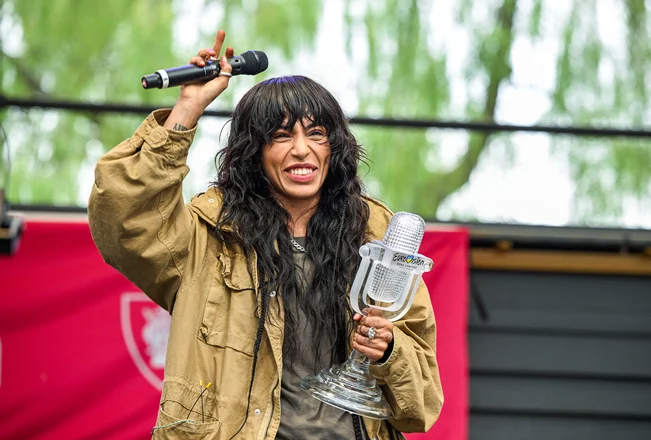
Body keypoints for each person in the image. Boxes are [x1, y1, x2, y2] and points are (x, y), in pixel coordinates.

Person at [88, 30, 442, 440]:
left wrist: (389, 352)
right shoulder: (210, 234)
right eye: (280, 136)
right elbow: (123, 219)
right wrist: (185, 110)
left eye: (316, 134)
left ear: (335, 147)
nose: (301, 150)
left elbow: (423, 405)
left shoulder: (375, 236)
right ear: (252, 153)